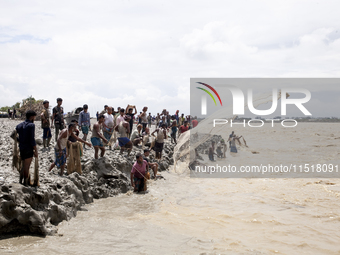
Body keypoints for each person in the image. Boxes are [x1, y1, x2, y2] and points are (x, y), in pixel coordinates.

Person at [16, 110, 38, 186]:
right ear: (32, 117)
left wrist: (20, 141)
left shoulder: (19, 126)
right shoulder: (31, 125)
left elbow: (14, 136)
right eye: (34, 117)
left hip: (22, 148)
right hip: (28, 148)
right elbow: (32, 139)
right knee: (26, 166)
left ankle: (20, 180)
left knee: (23, 165)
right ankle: (26, 182)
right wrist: (35, 150)